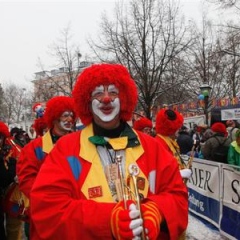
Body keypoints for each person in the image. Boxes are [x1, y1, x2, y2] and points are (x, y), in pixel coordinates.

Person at [29, 63, 188, 240]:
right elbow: (47, 208)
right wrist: (107, 221)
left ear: (124, 98)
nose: (106, 99)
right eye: (97, 93)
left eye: (113, 92)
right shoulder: (66, 150)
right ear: (87, 102)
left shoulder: (153, 147)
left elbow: (178, 197)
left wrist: (157, 211)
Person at [17, 96, 76, 239]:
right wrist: (49, 200)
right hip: (46, 213)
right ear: (55, 117)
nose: (69, 119)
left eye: (71, 115)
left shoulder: (79, 143)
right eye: (65, 115)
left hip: (74, 210)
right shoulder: (34, 148)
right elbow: (26, 179)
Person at [0, 121, 23, 240]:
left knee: (13, 227)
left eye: (0, 137)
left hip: (12, 195)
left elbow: (19, 164)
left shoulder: (10, 151)